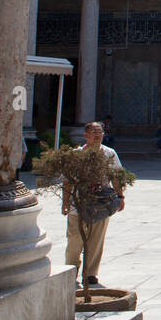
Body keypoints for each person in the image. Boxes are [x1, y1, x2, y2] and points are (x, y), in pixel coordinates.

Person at [62, 121, 125, 287]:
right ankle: (71, 270)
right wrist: (66, 202)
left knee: (96, 239)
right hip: (78, 202)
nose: (97, 135)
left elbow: (117, 176)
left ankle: (90, 274)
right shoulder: (76, 154)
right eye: (94, 132)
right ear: (86, 135)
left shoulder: (109, 153)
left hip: (101, 203)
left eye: (100, 132)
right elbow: (68, 181)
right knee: (75, 239)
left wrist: (120, 197)